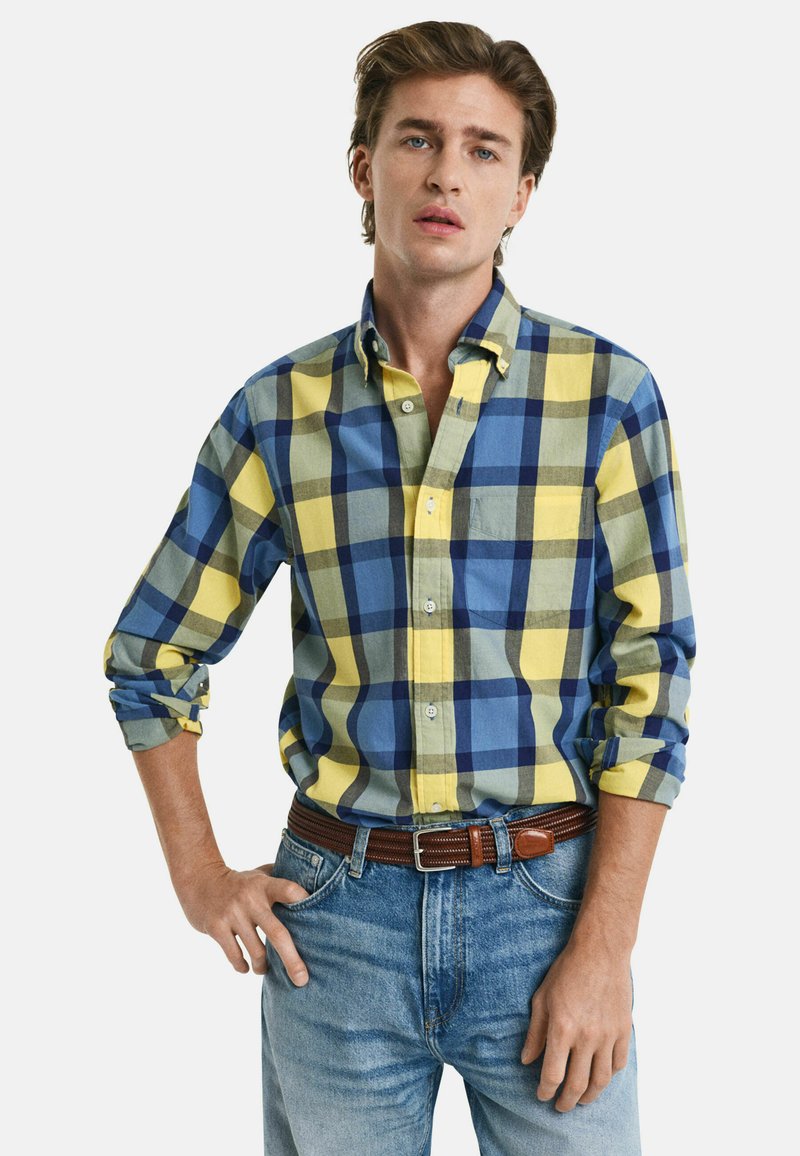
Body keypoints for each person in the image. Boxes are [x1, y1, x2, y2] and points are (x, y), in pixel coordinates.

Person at [103, 20, 695, 1156]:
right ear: (362, 167)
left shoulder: (607, 397)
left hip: (545, 907)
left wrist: (605, 944)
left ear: (521, 193)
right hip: (335, 922)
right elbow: (150, 655)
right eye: (417, 139)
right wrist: (197, 876)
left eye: (483, 149)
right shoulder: (277, 412)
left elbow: (651, 682)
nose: (445, 173)